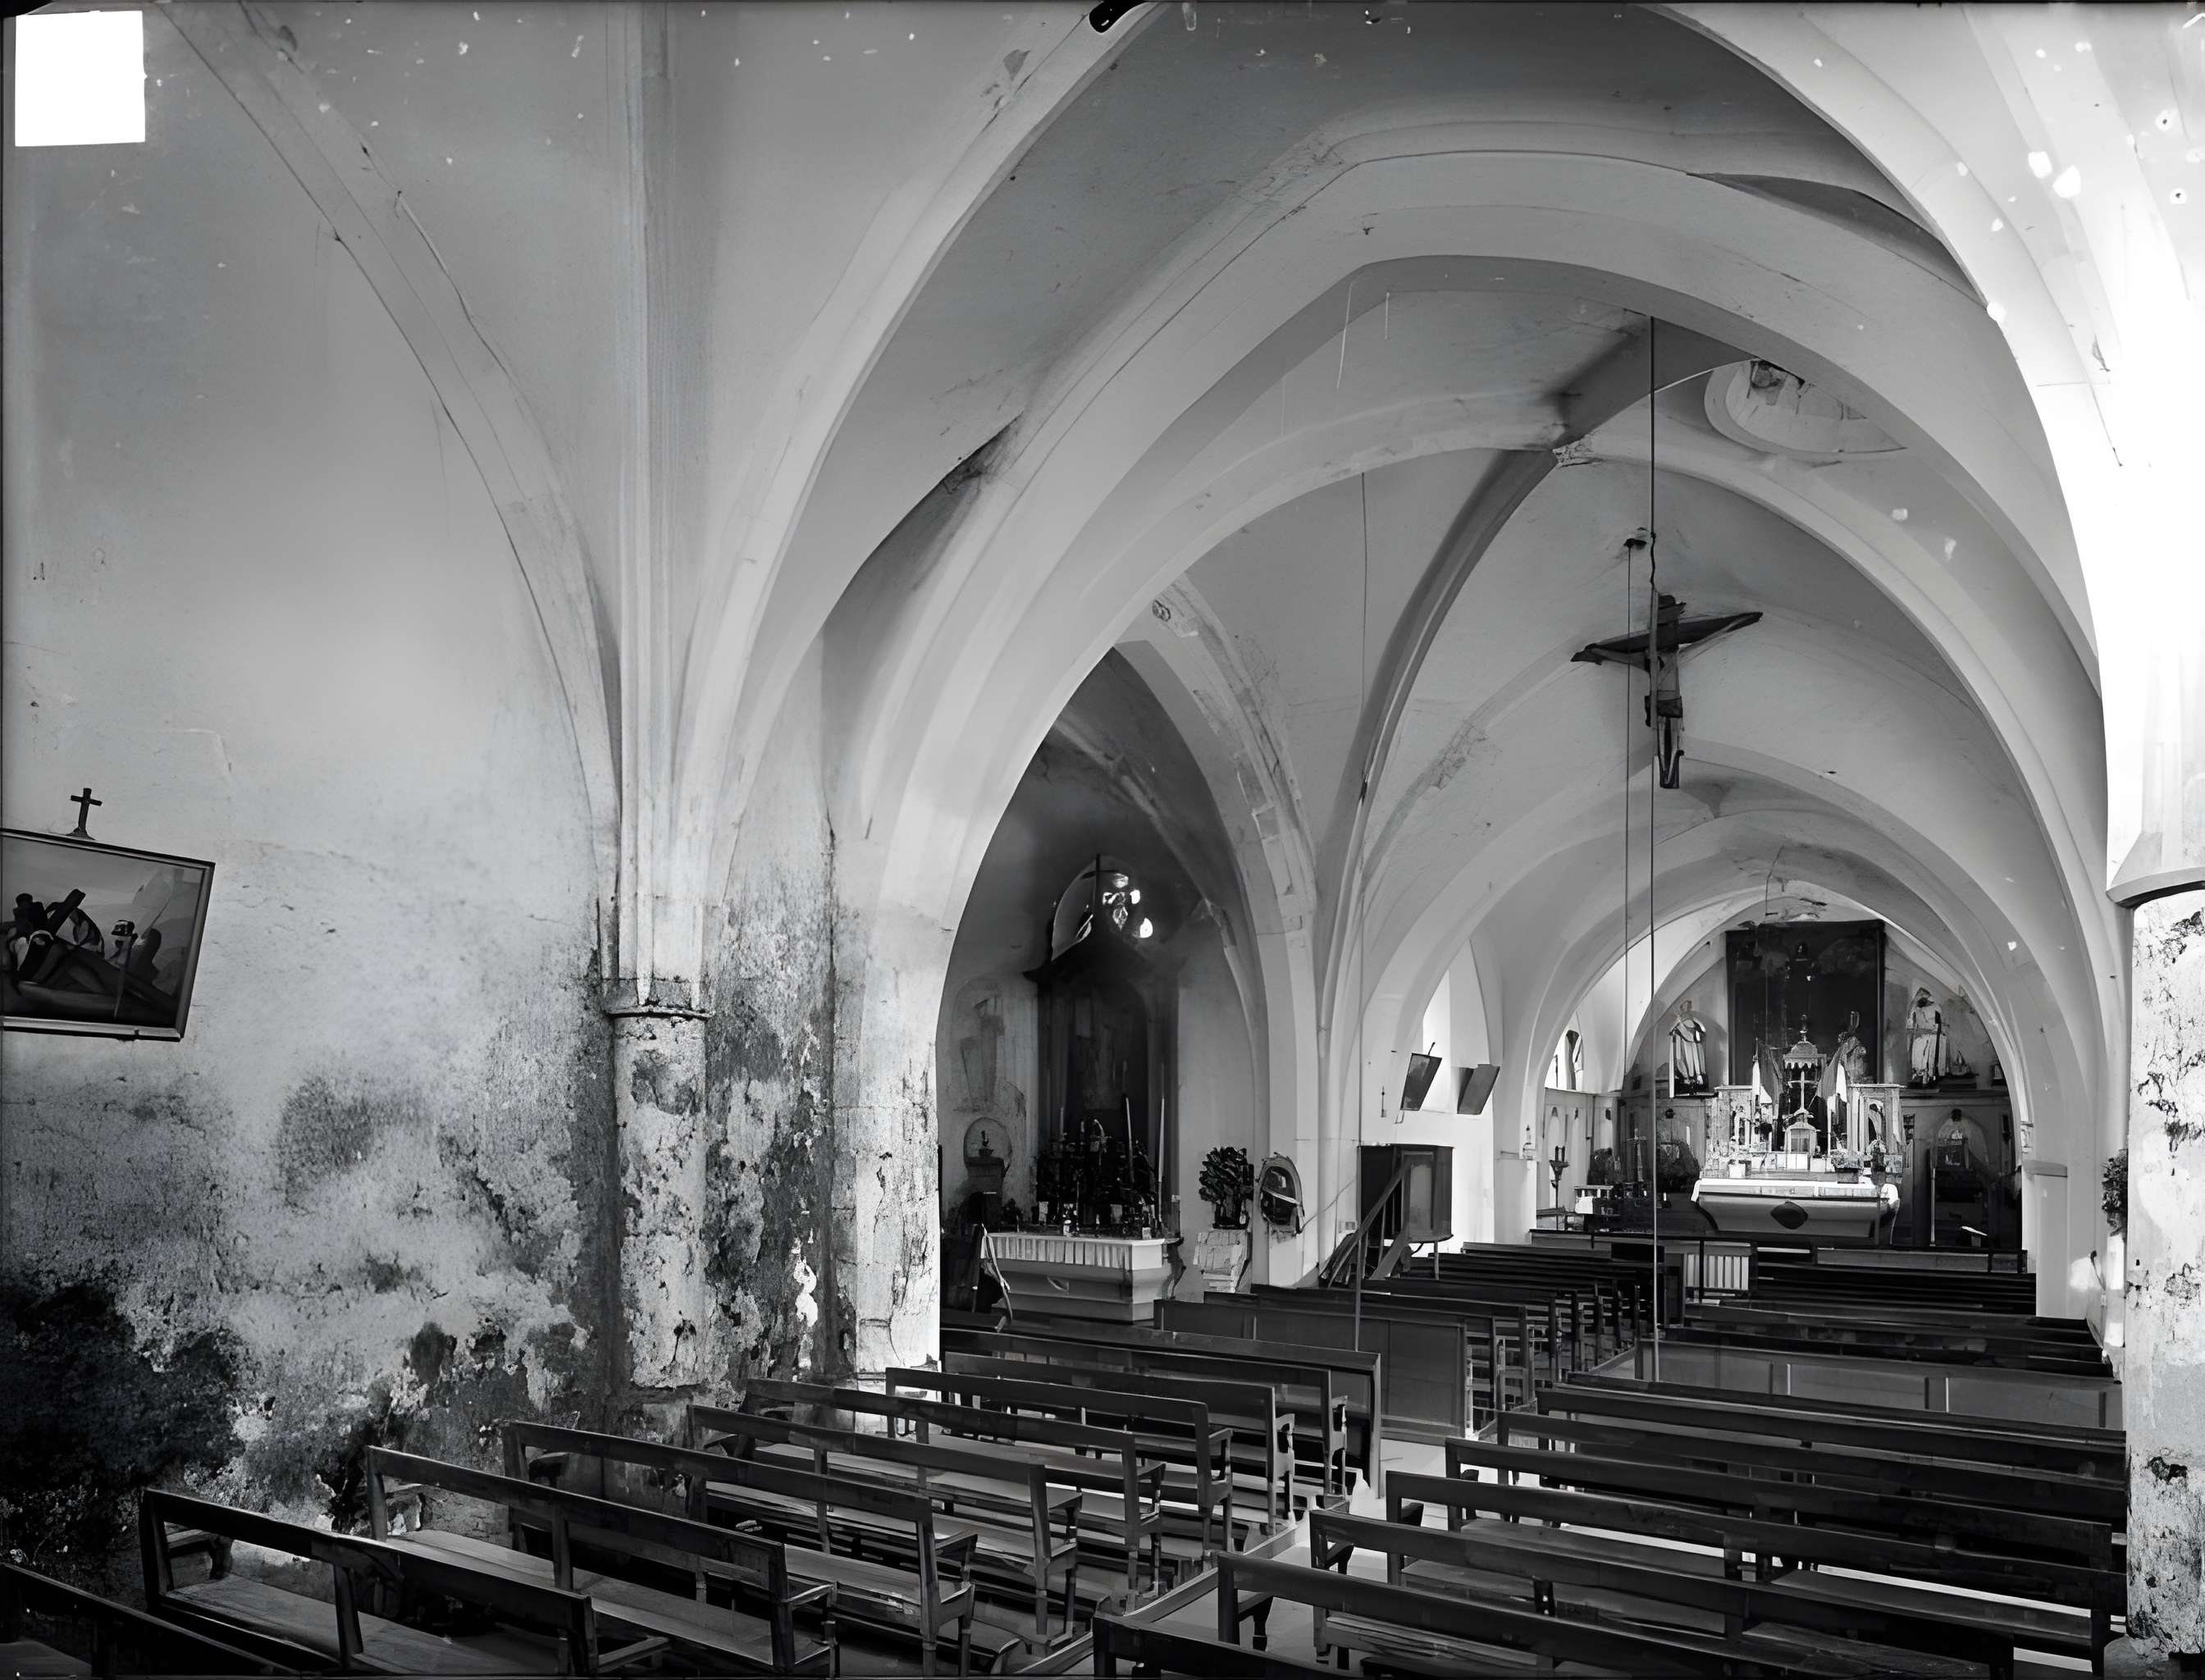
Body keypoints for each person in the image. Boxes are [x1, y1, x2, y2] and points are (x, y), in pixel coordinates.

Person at [1669, 998, 1709, 1090]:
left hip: (1694, 1044)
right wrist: (1678, 1025)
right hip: (1683, 1043)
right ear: (1682, 1007)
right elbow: (1671, 1030)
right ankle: (1687, 1079)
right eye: (1685, 1005)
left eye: (1688, 1006)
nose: (1687, 1007)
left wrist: (1698, 1032)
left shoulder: (1694, 1020)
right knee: (1685, 1059)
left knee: (1695, 1060)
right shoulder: (1678, 1021)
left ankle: (1695, 1080)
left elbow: (1702, 1030)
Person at [1906, 987, 1942, 1085]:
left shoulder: (1935, 1008)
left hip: (1931, 1036)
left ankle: (1929, 1077)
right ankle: (1920, 1075)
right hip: (1920, 1036)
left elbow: (1937, 1025)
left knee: (1929, 1057)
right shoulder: (1916, 1009)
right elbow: (1911, 1019)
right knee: (1918, 1056)